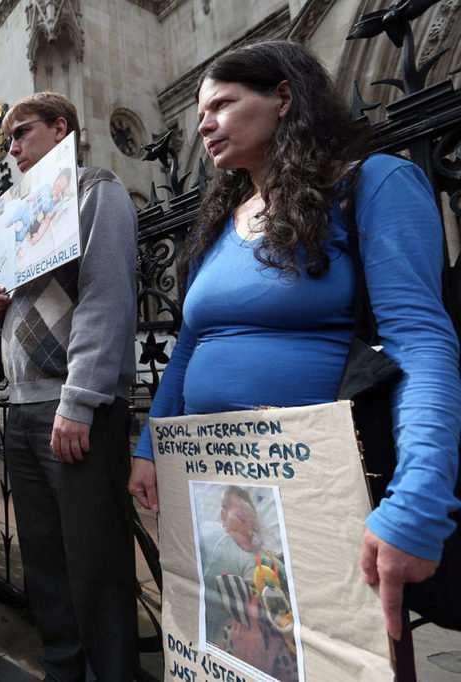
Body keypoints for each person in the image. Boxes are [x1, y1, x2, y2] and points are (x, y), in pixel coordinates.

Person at [126, 40, 461, 643]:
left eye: (223, 104)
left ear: (284, 97)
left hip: (325, 491)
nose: (203, 123)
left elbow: (419, 344)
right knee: (243, 647)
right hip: (216, 489)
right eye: (200, 111)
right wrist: (150, 443)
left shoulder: (374, 184)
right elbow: (188, 349)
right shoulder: (221, 222)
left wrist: (418, 497)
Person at [0, 91, 139, 680]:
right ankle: (63, 666)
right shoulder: (21, 210)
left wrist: (81, 399)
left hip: (73, 407)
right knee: (45, 560)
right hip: (23, 407)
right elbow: (41, 300)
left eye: (21, 134)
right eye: (9, 141)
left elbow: (105, 297)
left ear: (60, 128)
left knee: (95, 563)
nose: (12, 149)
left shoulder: (97, 189)